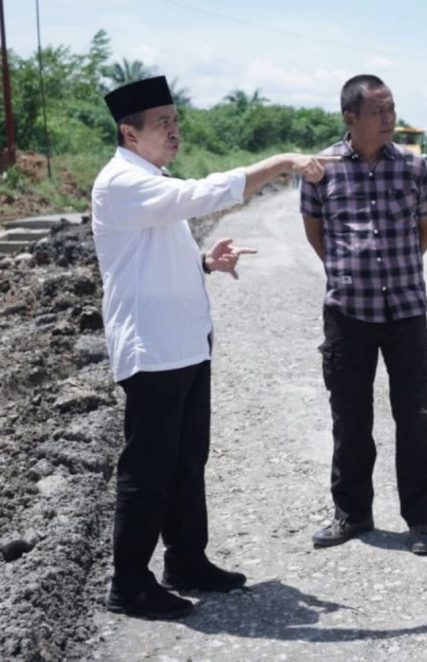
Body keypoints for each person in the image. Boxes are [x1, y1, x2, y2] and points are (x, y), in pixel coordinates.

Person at [92, 76, 337, 620]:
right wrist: (279, 162)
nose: (174, 131)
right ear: (129, 133)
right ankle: (129, 583)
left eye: (176, 121)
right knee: (148, 469)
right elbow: (200, 195)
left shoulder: (150, 179)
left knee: (186, 462)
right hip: (153, 349)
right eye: (163, 124)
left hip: (184, 345)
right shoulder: (121, 182)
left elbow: (152, 253)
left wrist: (206, 262)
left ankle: (186, 560)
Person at [300, 74, 427, 555]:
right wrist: (349, 272)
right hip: (348, 313)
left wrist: (393, 269)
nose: (389, 118)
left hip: (405, 310)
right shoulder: (322, 169)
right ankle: (353, 513)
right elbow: (315, 231)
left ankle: (420, 520)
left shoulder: (415, 168)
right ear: (350, 118)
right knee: (350, 418)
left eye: (392, 108)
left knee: (416, 417)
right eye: (378, 111)